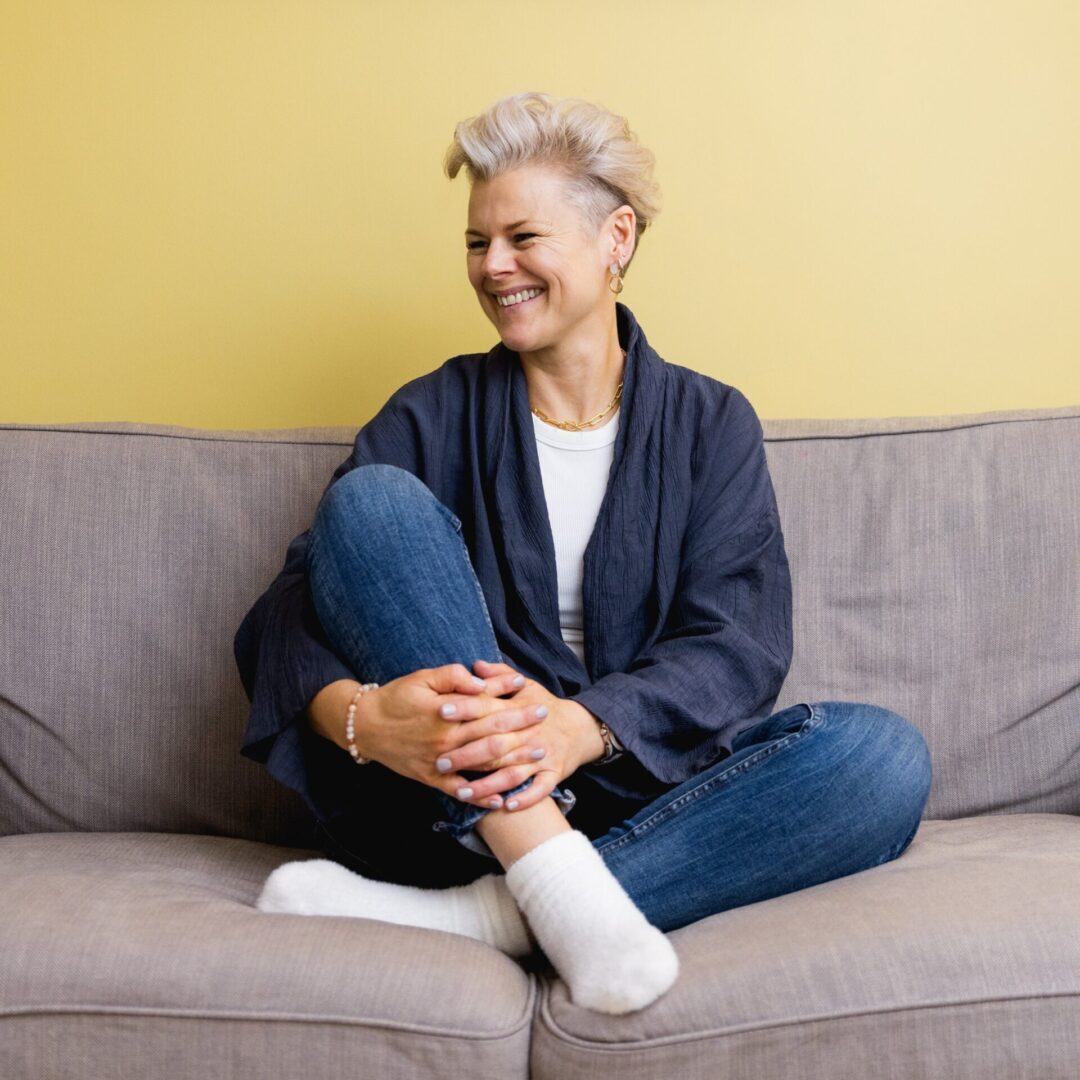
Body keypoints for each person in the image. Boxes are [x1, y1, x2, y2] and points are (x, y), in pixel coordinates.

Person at [233, 91, 932, 1016]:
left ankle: (496, 915)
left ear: (616, 239)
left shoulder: (710, 424)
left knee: (883, 757)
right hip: (452, 809)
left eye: (523, 237)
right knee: (368, 505)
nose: (495, 267)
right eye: (477, 243)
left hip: (649, 797)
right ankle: (535, 861)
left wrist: (576, 728)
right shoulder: (429, 413)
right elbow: (293, 608)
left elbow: (737, 643)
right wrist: (366, 719)